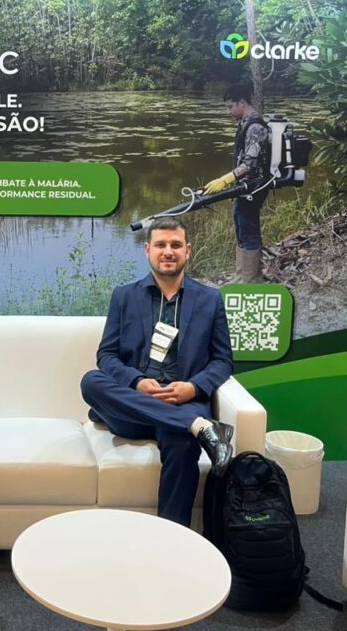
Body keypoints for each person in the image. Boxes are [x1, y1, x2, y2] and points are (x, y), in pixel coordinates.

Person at [80, 217, 234, 527]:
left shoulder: (209, 299)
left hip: (183, 401)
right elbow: (106, 356)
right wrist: (136, 382)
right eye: (160, 245)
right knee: (91, 381)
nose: (168, 251)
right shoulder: (124, 296)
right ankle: (199, 427)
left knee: (183, 446)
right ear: (147, 250)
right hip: (134, 409)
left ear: (187, 250)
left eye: (175, 245)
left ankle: (172, 540)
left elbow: (223, 361)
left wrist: (193, 388)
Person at [203, 83, 272, 283]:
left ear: (242, 103)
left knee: (249, 228)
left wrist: (226, 180)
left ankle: (251, 280)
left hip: (254, 186)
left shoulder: (255, 127)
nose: (228, 112)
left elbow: (250, 163)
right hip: (242, 187)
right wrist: (233, 186)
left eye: (230, 106)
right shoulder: (244, 123)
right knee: (241, 226)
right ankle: (241, 275)